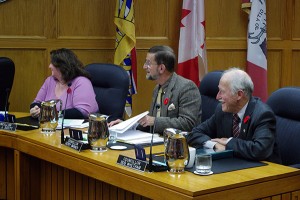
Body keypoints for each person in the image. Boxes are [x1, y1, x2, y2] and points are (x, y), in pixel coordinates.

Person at [186, 68, 281, 163]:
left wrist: (228, 143)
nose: (217, 97)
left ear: (239, 95)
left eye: (222, 92)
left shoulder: (262, 114)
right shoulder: (222, 110)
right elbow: (194, 134)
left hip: (266, 172)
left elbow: (260, 150)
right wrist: (214, 145)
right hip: (234, 165)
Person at [109, 45, 201, 135]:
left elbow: (188, 123)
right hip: (158, 141)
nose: (144, 67)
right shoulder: (157, 88)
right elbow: (150, 124)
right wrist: (126, 126)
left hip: (180, 146)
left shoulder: (187, 87)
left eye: (148, 63)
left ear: (161, 68)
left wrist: (154, 121)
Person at [30, 48, 98, 119]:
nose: (49, 66)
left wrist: (50, 113)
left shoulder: (82, 82)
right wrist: (34, 109)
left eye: (52, 63)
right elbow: (37, 102)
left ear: (61, 66)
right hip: (49, 126)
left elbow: (82, 112)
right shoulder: (50, 80)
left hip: (76, 128)